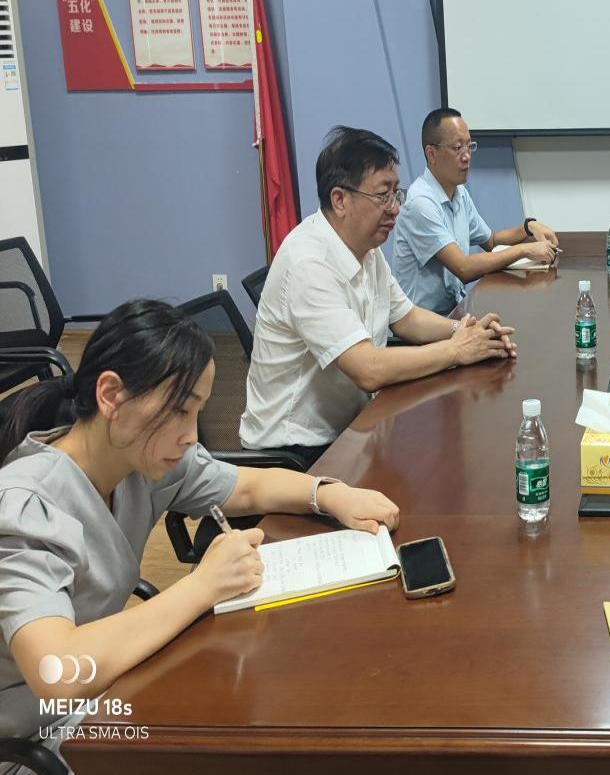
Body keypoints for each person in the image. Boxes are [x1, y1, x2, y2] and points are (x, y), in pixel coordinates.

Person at [0, 300, 401, 764]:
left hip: (106, 692)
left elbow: (247, 487)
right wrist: (204, 585)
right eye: (179, 410)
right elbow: (58, 673)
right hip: (38, 739)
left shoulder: (138, 459)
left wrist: (328, 494)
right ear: (110, 395)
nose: (191, 435)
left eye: (197, 412)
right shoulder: (25, 508)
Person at [241, 126, 517, 465]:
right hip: (296, 454)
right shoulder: (308, 263)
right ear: (340, 200)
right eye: (383, 196)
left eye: (396, 194)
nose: (395, 208)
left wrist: (466, 331)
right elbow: (368, 369)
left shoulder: (365, 248)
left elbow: (407, 318)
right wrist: (456, 350)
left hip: (353, 428)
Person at [391, 108, 560, 315]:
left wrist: (529, 227)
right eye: (457, 147)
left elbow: (491, 241)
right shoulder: (420, 203)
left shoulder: (459, 193)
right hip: (423, 325)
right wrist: (525, 250)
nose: (466, 156)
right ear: (431, 154)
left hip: (455, 312)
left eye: (469, 146)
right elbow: (464, 268)